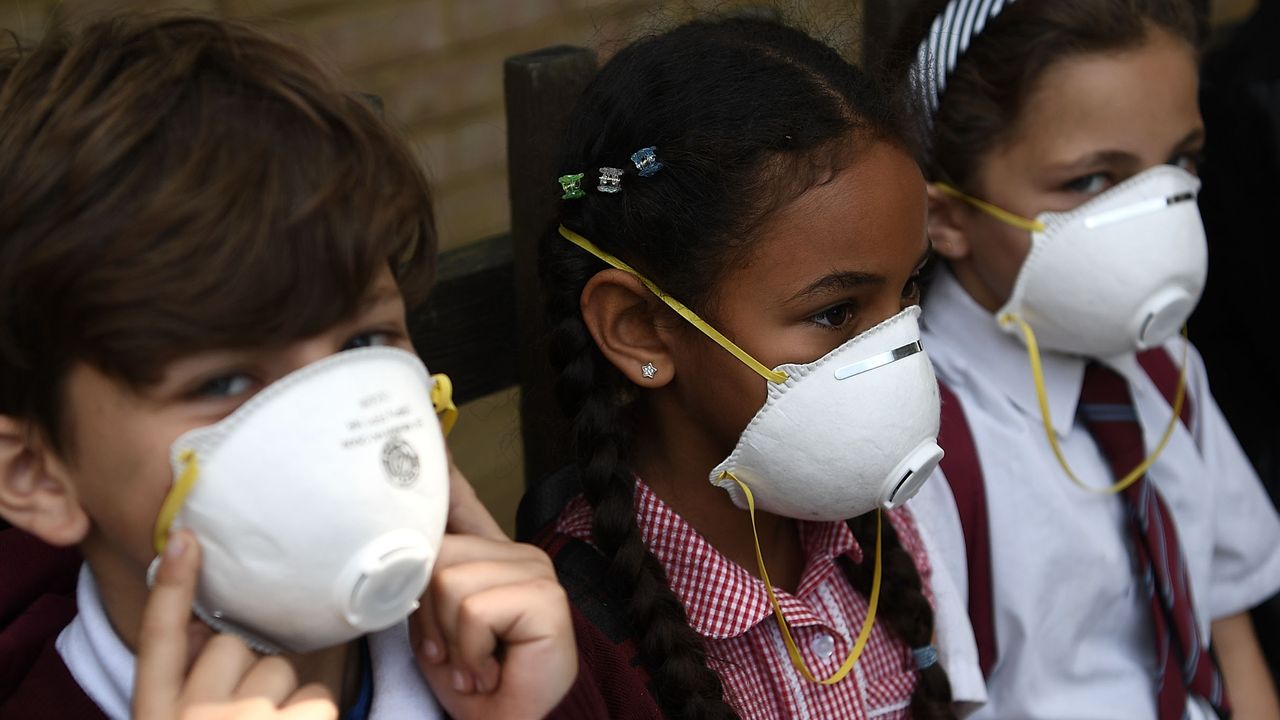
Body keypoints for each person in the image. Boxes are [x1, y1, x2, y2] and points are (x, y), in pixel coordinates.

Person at [0, 15, 579, 720]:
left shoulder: (528, 662)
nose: (331, 428)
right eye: (223, 382)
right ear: (36, 475)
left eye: (363, 344)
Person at [521, 16, 984, 720]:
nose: (896, 352)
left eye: (910, 289)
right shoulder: (565, 645)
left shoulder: (889, 540)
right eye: (836, 313)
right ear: (641, 329)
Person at [876, 0, 1280, 718]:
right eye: (1091, 182)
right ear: (947, 216)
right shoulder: (922, 442)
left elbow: (1230, 627)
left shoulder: (1166, 370)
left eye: (1179, 164)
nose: (1158, 219)